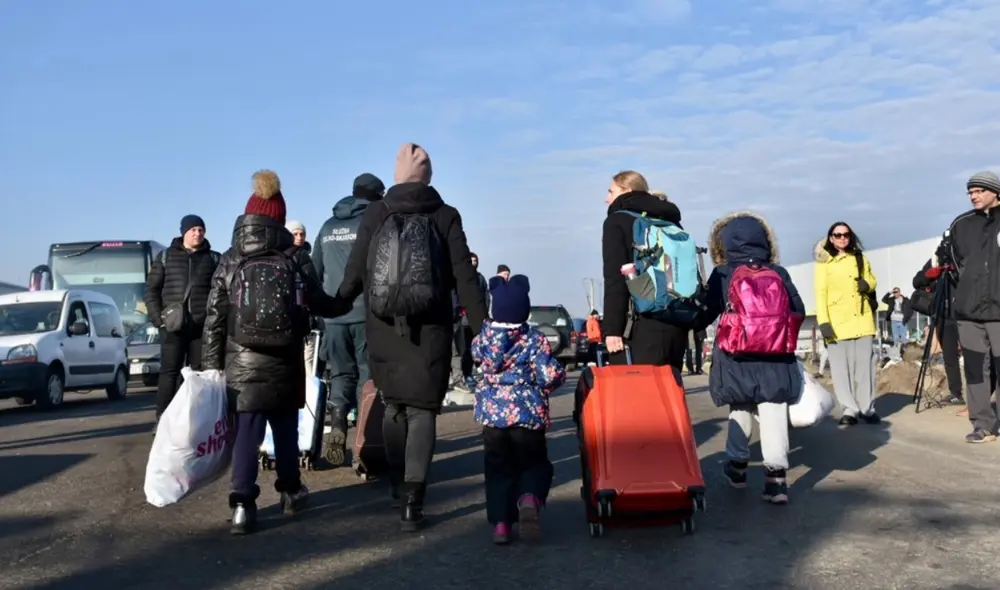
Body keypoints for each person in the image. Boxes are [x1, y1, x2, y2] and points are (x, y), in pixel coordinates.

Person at [332, 143, 488, 531]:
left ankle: (397, 485)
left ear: (398, 174)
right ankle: (413, 503)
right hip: (431, 328)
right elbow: (463, 276)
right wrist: (483, 328)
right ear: (428, 176)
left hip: (383, 324)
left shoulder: (376, 212)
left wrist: (332, 304)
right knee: (422, 411)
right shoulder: (446, 214)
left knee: (394, 405)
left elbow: (355, 273)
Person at [201, 170, 346, 535]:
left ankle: (242, 505)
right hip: (284, 359)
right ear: (280, 218)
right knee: (284, 428)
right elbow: (323, 304)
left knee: (246, 432)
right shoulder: (294, 257)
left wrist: (210, 368)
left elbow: (214, 318)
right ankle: (290, 492)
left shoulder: (230, 259)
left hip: (241, 362)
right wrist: (350, 295)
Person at [699, 211, 803, 504]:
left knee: (740, 408)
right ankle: (776, 481)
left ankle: (737, 468)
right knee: (773, 411)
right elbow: (798, 310)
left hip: (736, 354)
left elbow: (707, 311)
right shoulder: (778, 273)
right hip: (775, 355)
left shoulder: (723, 273)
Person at [471, 274, 565, 544]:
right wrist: (552, 380)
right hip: (527, 414)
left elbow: (475, 358)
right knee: (534, 463)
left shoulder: (482, 339)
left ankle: (501, 524)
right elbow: (549, 375)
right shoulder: (533, 339)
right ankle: (528, 498)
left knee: (498, 469)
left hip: (492, 417)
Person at [312, 173, 385, 464]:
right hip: (366, 314)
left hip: (333, 317)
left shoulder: (327, 227)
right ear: (376, 196)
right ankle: (362, 443)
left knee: (340, 374)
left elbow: (314, 271)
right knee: (367, 375)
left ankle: (338, 426)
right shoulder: (373, 223)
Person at [601, 170, 687, 367]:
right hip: (675, 321)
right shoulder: (670, 219)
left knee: (635, 393)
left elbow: (615, 278)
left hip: (638, 325)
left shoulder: (617, 221)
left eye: (611, 191)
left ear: (627, 190)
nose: (607, 199)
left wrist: (613, 330)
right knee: (669, 393)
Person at [144, 214, 220, 430]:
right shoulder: (166, 257)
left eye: (201, 230)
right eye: (193, 229)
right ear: (184, 232)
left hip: (201, 328)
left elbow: (221, 292)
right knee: (169, 373)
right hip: (172, 328)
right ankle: (164, 421)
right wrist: (158, 319)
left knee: (197, 376)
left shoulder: (213, 259)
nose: (197, 233)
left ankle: (193, 420)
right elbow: (151, 290)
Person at [947, 171, 1000, 442]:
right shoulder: (961, 224)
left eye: (979, 190)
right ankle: (983, 425)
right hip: (969, 312)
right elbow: (954, 264)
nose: (973, 196)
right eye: (970, 192)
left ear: (995, 192)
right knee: (976, 370)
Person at [814, 221, 880, 427]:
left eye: (846, 235)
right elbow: (820, 294)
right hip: (836, 322)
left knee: (865, 367)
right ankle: (849, 409)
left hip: (862, 319)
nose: (842, 238)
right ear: (830, 238)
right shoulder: (824, 264)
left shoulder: (860, 258)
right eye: (837, 235)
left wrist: (867, 284)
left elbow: (872, 280)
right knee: (840, 370)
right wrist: (823, 322)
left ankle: (867, 407)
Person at [912, 237, 964, 406]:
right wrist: (930, 274)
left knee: (973, 357)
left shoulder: (966, 258)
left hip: (965, 314)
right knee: (949, 357)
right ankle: (956, 393)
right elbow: (917, 281)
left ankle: (979, 396)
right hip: (943, 314)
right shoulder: (937, 259)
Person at [881, 287, 912, 362]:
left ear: (900, 292)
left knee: (903, 338)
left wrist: (907, 317)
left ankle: (905, 354)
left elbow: (910, 309)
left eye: (896, 292)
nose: (895, 293)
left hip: (902, 321)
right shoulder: (891, 299)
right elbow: (883, 300)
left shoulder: (905, 300)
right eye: (894, 292)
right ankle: (897, 355)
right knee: (896, 338)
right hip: (894, 321)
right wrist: (889, 292)